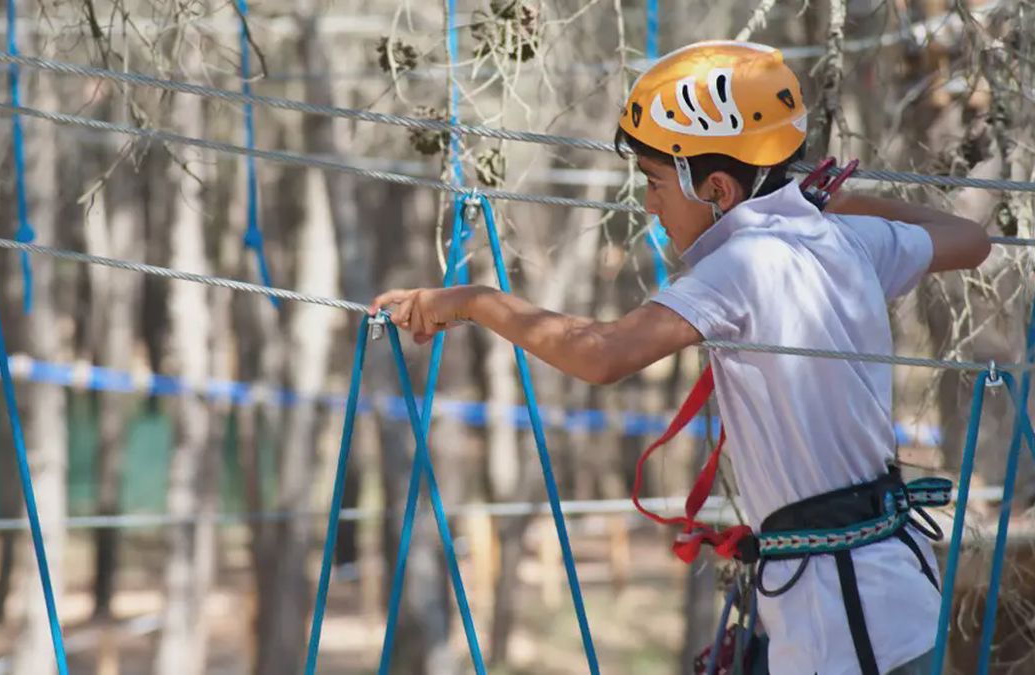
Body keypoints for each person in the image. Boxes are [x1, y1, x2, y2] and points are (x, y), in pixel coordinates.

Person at [369, 41, 991, 674]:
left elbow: (604, 354)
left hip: (847, 621)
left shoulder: (743, 264)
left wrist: (478, 301)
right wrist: (838, 205)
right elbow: (969, 240)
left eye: (655, 181)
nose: (650, 204)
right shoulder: (842, 239)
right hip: (883, 598)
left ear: (718, 187)